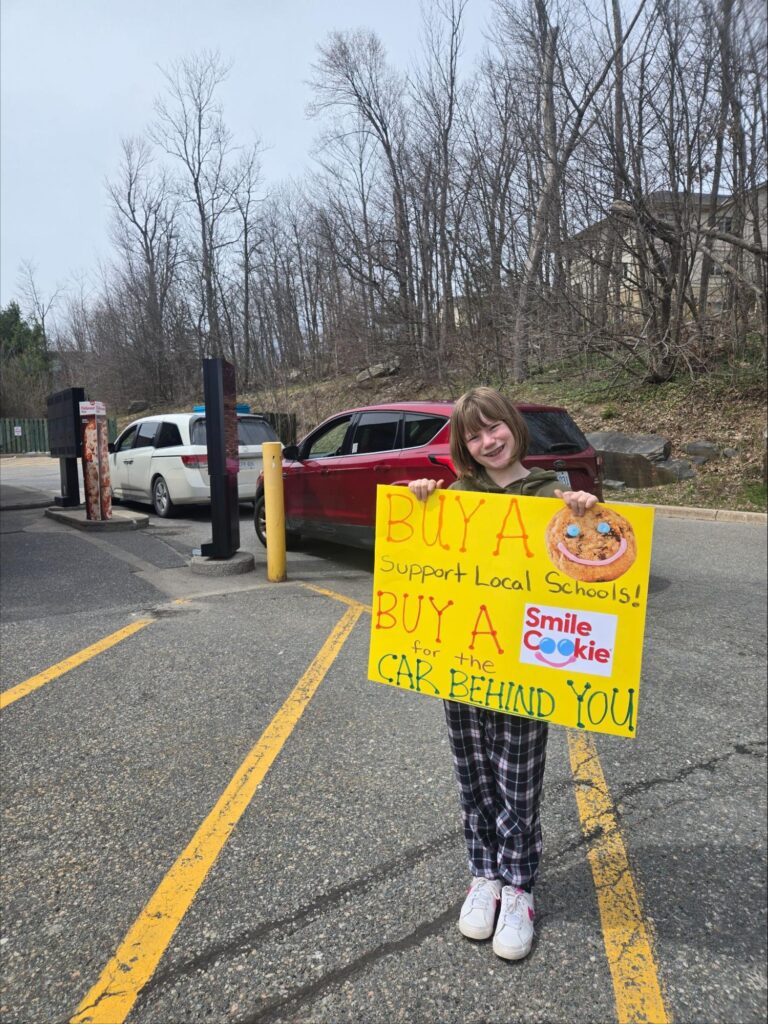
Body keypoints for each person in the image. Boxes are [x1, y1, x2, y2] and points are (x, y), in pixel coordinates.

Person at [408, 386, 597, 961]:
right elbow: (424, 557)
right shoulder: (458, 498)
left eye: (495, 428)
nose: (487, 441)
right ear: (463, 445)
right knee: (473, 775)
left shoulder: (552, 496)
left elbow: (587, 566)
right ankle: (483, 875)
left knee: (517, 778)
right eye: (473, 434)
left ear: (513, 427)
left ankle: (518, 887)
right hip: (463, 663)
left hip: (527, 667)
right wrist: (421, 501)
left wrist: (586, 516)